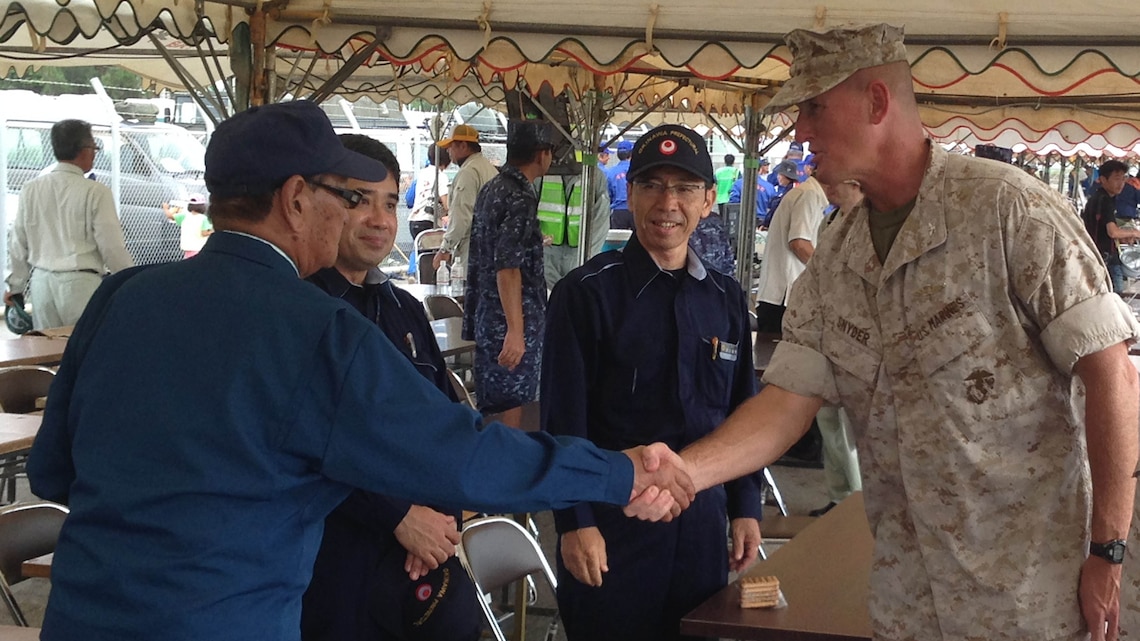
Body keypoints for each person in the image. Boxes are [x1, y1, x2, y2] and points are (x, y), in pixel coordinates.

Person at [26, 101, 693, 641]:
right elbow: (463, 458)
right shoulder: (316, 328)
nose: (353, 214)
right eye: (341, 196)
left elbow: (51, 471)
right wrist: (620, 471)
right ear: (294, 198)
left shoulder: (122, 296)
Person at [662, 23, 1139, 641]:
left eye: (814, 107)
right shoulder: (837, 254)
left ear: (877, 103)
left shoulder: (1009, 212)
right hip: (907, 601)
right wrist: (682, 473)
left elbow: (1112, 378)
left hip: (1029, 601)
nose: (799, 131)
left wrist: (1109, 551)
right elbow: (785, 405)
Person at [542, 124, 763, 641]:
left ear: (709, 200)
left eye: (684, 188)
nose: (668, 202)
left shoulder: (726, 299)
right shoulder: (586, 294)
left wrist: (745, 507)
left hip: (702, 526)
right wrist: (574, 523)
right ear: (631, 194)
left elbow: (741, 410)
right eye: (652, 185)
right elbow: (562, 422)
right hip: (614, 526)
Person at [301, 134, 482, 641]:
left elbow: (447, 422)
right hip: (336, 563)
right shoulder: (299, 312)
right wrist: (397, 516)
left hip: (422, 563)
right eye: (358, 200)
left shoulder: (402, 307)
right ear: (315, 202)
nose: (380, 219)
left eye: (389, 202)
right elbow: (308, 442)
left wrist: (440, 523)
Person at [462, 119, 554, 424]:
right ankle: (507, 470)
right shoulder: (520, 195)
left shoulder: (493, 188)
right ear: (542, 155)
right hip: (511, 323)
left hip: (489, 316)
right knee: (514, 410)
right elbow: (508, 266)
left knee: (493, 409)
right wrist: (516, 331)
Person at [5, 119, 133, 329]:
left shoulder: (31, 189)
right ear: (83, 150)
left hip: (41, 284)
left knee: (48, 354)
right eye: (94, 148)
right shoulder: (95, 192)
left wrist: (15, 285)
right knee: (84, 352)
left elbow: (18, 242)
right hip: (81, 284)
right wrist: (129, 281)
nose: (94, 153)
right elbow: (112, 247)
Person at [807, 178, 865, 517]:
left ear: (855, 185)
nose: (828, 188)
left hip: (856, 338)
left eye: (835, 184)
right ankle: (838, 492)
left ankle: (855, 502)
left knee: (847, 426)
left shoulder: (869, 222)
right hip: (827, 329)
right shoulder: (831, 220)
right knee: (827, 419)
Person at [753, 158, 824, 333]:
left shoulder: (807, 194)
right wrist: (826, 274)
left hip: (780, 295)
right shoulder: (809, 195)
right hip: (783, 297)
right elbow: (799, 243)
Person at [433, 124, 498, 274]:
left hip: (472, 250)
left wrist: (445, 249)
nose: (448, 151)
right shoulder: (489, 169)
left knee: (467, 294)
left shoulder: (468, 172)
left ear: (463, 146)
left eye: (451, 146)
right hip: (491, 248)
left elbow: (462, 216)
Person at [539, 169, 611, 290]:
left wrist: (588, 258)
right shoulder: (541, 173)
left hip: (580, 254)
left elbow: (601, 222)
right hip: (546, 255)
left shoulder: (594, 176)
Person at [1081, 159, 1140, 295]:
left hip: (1098, 254)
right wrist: (1135, 232)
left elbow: (1104, 228)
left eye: (1123, 179)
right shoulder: (1104, 200)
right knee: (1114, 295)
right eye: (1116, 179)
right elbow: (1112, 232)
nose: (1121, 184)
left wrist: (1125, 236)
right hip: (1103, 257)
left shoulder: (1105, 198)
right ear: (1103, 179)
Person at [408, 143, 451, 241]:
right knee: (434, 254)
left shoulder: (422, 173)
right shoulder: (440, 176)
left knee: (421, 253)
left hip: (414, 221)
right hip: (429, 222)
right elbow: (446, 203)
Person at [728, 158, 776, 226]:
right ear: (760, 170)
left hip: (743, 221)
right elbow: (773, 207)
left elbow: (733, 203)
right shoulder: (769, 187)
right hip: (762, 223)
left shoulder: (738, 184)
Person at [163, 194, 213, 258]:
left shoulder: (184, 216)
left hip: (187, 247)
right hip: (198, 248)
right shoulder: (203, 218)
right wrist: (213, 230)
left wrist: (166, 208)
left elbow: (170, 216)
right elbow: (204, 233)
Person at [606, 140, 634, 229]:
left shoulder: (611, 172)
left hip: (618, 212)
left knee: (617, 240)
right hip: (635, 210)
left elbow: (608, 195)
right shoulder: (637, 171)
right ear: (631, 154)